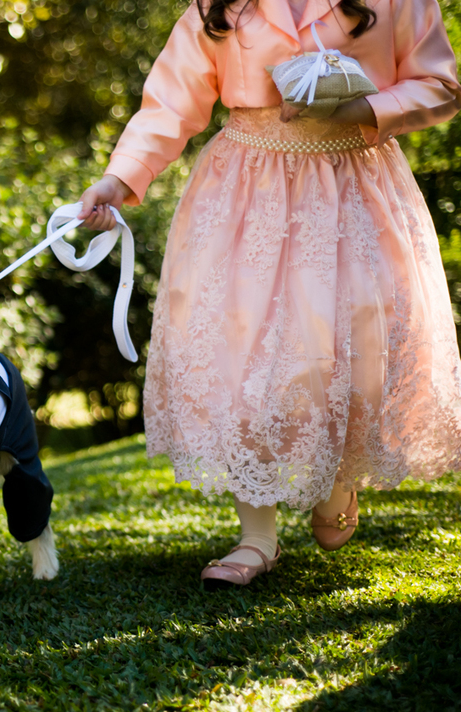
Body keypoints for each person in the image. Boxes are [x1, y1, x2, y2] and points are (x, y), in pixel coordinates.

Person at [78, 0, 461, 588]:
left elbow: (440, 84)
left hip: (353, 187)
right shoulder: (219, 7)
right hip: (246, 195)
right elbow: (171, 101)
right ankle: (256, 535)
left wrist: (365, 108)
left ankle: (339, 479)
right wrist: (121, 175)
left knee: (355, 348)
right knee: (242, 360)